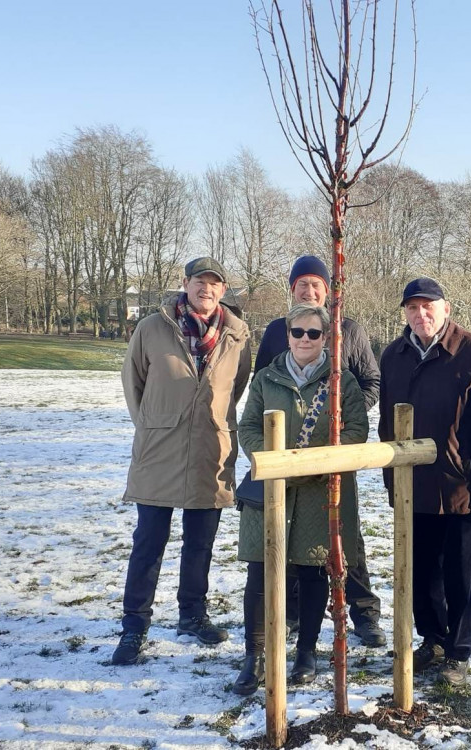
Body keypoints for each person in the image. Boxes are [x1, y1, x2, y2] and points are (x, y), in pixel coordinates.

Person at [112, 257, 251, 666]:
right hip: (160, 449)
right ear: (185, 284)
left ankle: (192, 614)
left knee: (200, 543)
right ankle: (134, 626)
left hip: (211, 449)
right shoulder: (152, 328)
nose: (205, 289)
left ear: (222, 290)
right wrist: (154, 425)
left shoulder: (237, 333)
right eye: (198, 282)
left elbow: (236, 387)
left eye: (213, 283)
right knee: (148, 542)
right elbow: (132, 380)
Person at [232, 303, 370, 694]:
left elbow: (356, 431)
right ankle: (254, 655)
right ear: (287, 334)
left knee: (312, 573)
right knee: (259, 573)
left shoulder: (343, 383)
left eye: (314, 333)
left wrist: (311, 466)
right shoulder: (266, 378)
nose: (305, 340)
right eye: (298, 332)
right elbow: (248, 428)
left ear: (326, 338)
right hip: (271, 490)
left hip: (320, 493)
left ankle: (306, 651)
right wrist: (276, 462)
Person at [252, 254, 386, 648]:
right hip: (288, 453)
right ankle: (294, 613)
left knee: (346, 538)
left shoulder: (350, 329)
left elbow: (371, 380)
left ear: (328, 290)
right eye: (302, 285)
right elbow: (263, 381)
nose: (309, 291)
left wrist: (344, 416)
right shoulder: (278, 330)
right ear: (291, 289)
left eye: (316, 285)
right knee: (292, 533)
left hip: (334, 452)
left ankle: (363, 612)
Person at [378, 278, 471, 688]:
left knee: (459, 573)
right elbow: (385, 423)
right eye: (413, 308)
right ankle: (432, 639)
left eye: (428, 306)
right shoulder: (394, 356)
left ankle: (458, 651)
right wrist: (390, 477)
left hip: (460, 486)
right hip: (412, 483)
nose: (421, 315)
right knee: (420, 570)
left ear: (446, 308)